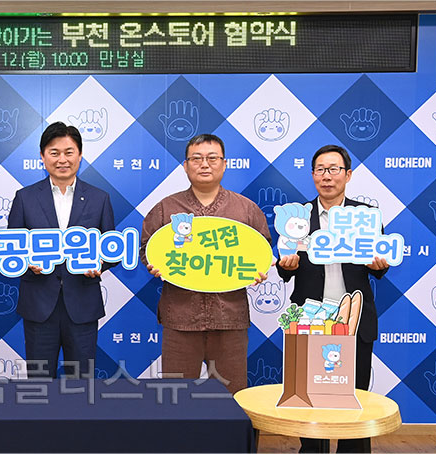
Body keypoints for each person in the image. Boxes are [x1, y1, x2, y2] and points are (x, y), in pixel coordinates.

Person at [276, 144, 388, 453]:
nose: (327, 176)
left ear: (348, 175)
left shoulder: (366, 216)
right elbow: (284, 268)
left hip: (354, 321)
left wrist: (379, 264)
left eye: (334, 169)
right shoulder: (297, 217)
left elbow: (381, 266)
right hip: (310, 320)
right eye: (320, 170)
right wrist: (287, 265)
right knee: (309, 398)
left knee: (356, 396)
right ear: (313, 175)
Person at [140, 133, 270, 394]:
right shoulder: (166, 209)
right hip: (180, 318)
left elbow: (261, 250)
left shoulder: (246, 210)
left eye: (212, 158)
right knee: (176, 396)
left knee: (231, 397)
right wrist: (153, 264)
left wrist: (259, 270)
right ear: (185, 165)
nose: (204, 164)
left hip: (230, 319)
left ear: (225, 164)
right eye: (196, 158)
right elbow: (147, 249)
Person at [7, 121, 115, 378]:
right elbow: (13, 248)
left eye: (69, 152)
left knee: (82, 382)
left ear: (80, 155)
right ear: (42, 157)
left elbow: (111, 248)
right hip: (39, 305)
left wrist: (99, 265)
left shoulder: (99, 198)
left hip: (82, 303)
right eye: (54, 153)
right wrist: (27, 264)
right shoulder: (25, 197)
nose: (62, 159)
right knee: (40, 382)